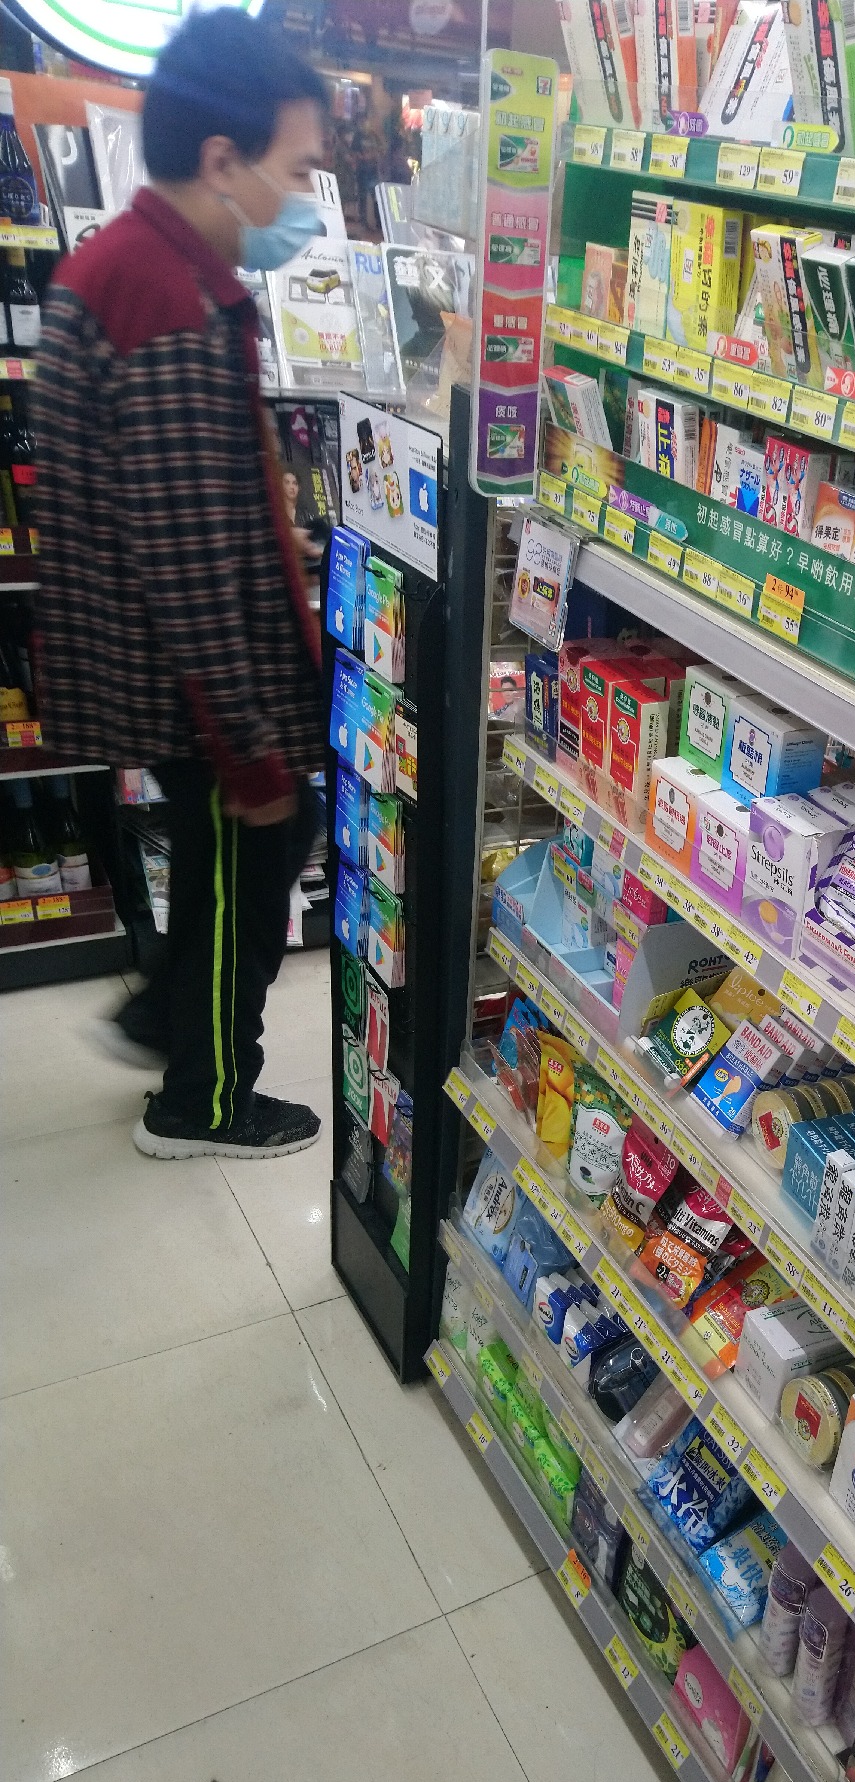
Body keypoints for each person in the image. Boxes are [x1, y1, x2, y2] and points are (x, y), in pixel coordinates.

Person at [33, 11, 331, 1160]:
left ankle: (163, 1017)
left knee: (247, 859)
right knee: (239, 867)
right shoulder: (164, 295)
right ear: (221, 158)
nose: (301, 198)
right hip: (189, 685)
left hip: (150, 668)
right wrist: (249, 746)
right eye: (296, 169)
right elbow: (187, 554)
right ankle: (202, 1101)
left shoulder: (129, 262)